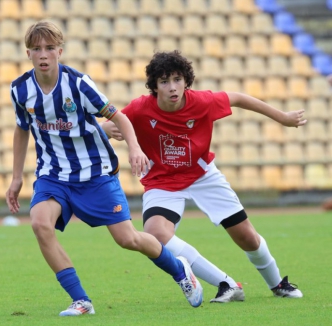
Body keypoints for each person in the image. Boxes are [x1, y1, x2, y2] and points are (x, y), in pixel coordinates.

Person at [5, 22, 203, 316]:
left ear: (60, 51)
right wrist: (16, 177)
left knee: (128, 239)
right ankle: (81, 300)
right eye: (36, 49)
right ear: (28, 53)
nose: (43, 54)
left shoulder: (79, 84)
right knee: (39, 223)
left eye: (49, 48)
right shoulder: (20, 89)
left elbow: (119, 117)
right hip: (53, 175)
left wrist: (134, 148)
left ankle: (180, 270)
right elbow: (22, 129)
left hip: (95, 175)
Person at [101, 50, 304, 302]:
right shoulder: (140, 108)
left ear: (187, 80)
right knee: (155, 232)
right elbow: (111, 124)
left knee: (247, 237)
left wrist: (283, 117)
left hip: (202, 175)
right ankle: (227, 284)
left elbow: (239, 98)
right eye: (164, 82)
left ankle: (277, 284)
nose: (172, 87)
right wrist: (104, 129)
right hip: (162, 181)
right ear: (154, 86)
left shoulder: (203, 102)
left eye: (177, 79)